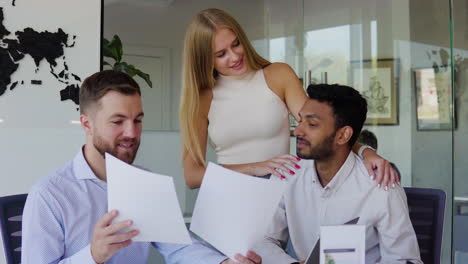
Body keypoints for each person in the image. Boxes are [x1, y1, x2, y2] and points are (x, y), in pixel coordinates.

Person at [21, 70, 260, 264]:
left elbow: (178, 248)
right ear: (87, 123)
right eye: (118, 121)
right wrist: (93, 256)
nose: (132, 133)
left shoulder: (146, 182)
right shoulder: (49, 195)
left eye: (138, 120)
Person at [179, 8, 398, 189]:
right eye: (221, 54)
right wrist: (254, 167)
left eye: (236, 44)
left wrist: (366, 152)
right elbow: (192, 176)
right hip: (227, 195)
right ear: (205, 59)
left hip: (278, 193)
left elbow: (322, 128)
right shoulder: (202, 98)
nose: (235, 56)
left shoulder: (278, 75)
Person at [253, 84, 422, 263]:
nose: (298, 131)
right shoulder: (288, 174)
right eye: (300, 120)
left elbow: (405, 260)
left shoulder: (380, 185)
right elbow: (262, 240)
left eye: (312, 124)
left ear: (343, 136)